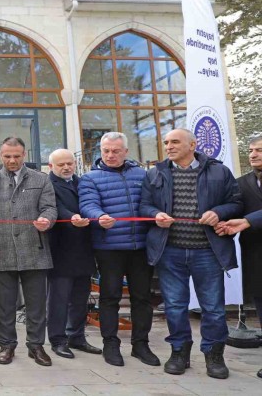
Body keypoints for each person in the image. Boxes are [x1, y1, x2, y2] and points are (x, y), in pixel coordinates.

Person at [141, 128, 242, 379]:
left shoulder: (219, 171)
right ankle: (179, 352)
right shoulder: (156, 172)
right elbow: (144, 204)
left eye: (175, 142)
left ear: (193, 144)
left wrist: (219, 211)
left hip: (207, 251)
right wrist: (155, 215)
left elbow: (237, 203)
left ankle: (214, 355)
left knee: (214, 308)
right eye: (166, 142)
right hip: (170, 251)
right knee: (174, 306)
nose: (169, 146)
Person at [78, 132, 157, 367]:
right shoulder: (90, 178)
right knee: (110, 296)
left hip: (141, 246)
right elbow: (87, 204)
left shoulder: (143, 175)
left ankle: (141, 344)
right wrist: (98, 216)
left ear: (126, 152)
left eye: (115, 151)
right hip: (109, 247)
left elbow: (151, 203)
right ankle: (110, 344)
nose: (110, 155)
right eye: (105, 151)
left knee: (142, 298)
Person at [0, 136, 57, 366]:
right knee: (5, 304)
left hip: (35, 249)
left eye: (16, 156)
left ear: (24, 155)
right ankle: (7, 345)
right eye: (7, 156)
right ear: (0, 155)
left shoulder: (41, 179)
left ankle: (36, 346)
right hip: (1, 251)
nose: (12, 160)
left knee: (36, 305)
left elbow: (50, 207)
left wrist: (46, 219)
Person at [46, 148, 101, 359]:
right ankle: (58, 340)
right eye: (61, 164)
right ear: (51, 166)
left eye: (69, 163)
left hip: (84, 249)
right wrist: (71, 218)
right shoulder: (48, 184)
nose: (67, 167)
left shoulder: (83, 182)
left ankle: (77, 337)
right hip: (60, 250)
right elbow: (55, 207)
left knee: (80, 298)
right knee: (59, 300)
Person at [215, 136, 262, 379]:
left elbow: (246, 218)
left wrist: (248, 221)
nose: (253, 155)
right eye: (251, 150)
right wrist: (219, 219)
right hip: (256, 257)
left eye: (259, 150)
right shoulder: (242, 183)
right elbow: (233, 207)